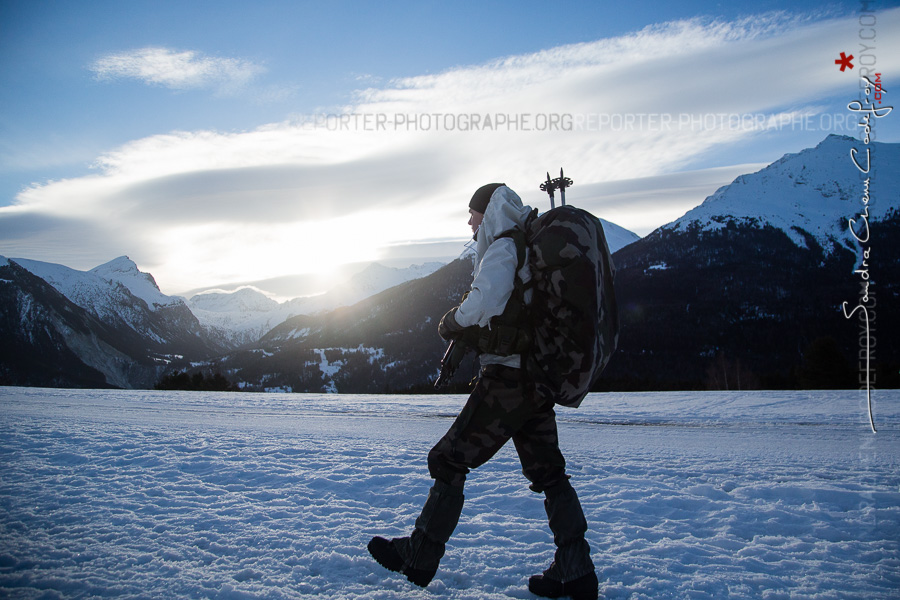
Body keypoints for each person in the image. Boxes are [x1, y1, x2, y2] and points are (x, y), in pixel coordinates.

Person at [367, 183, 598, 600]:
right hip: (535, 380)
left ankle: (420, 554)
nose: (469, 221)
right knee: (549, 472)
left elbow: (485, 301)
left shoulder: (505, 247)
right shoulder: (523, 245)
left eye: (473, 213)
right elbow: (511, 310)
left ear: (488, 212)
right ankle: (575, 567)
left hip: (508, 380)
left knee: (450, 457)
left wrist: (452, 322)